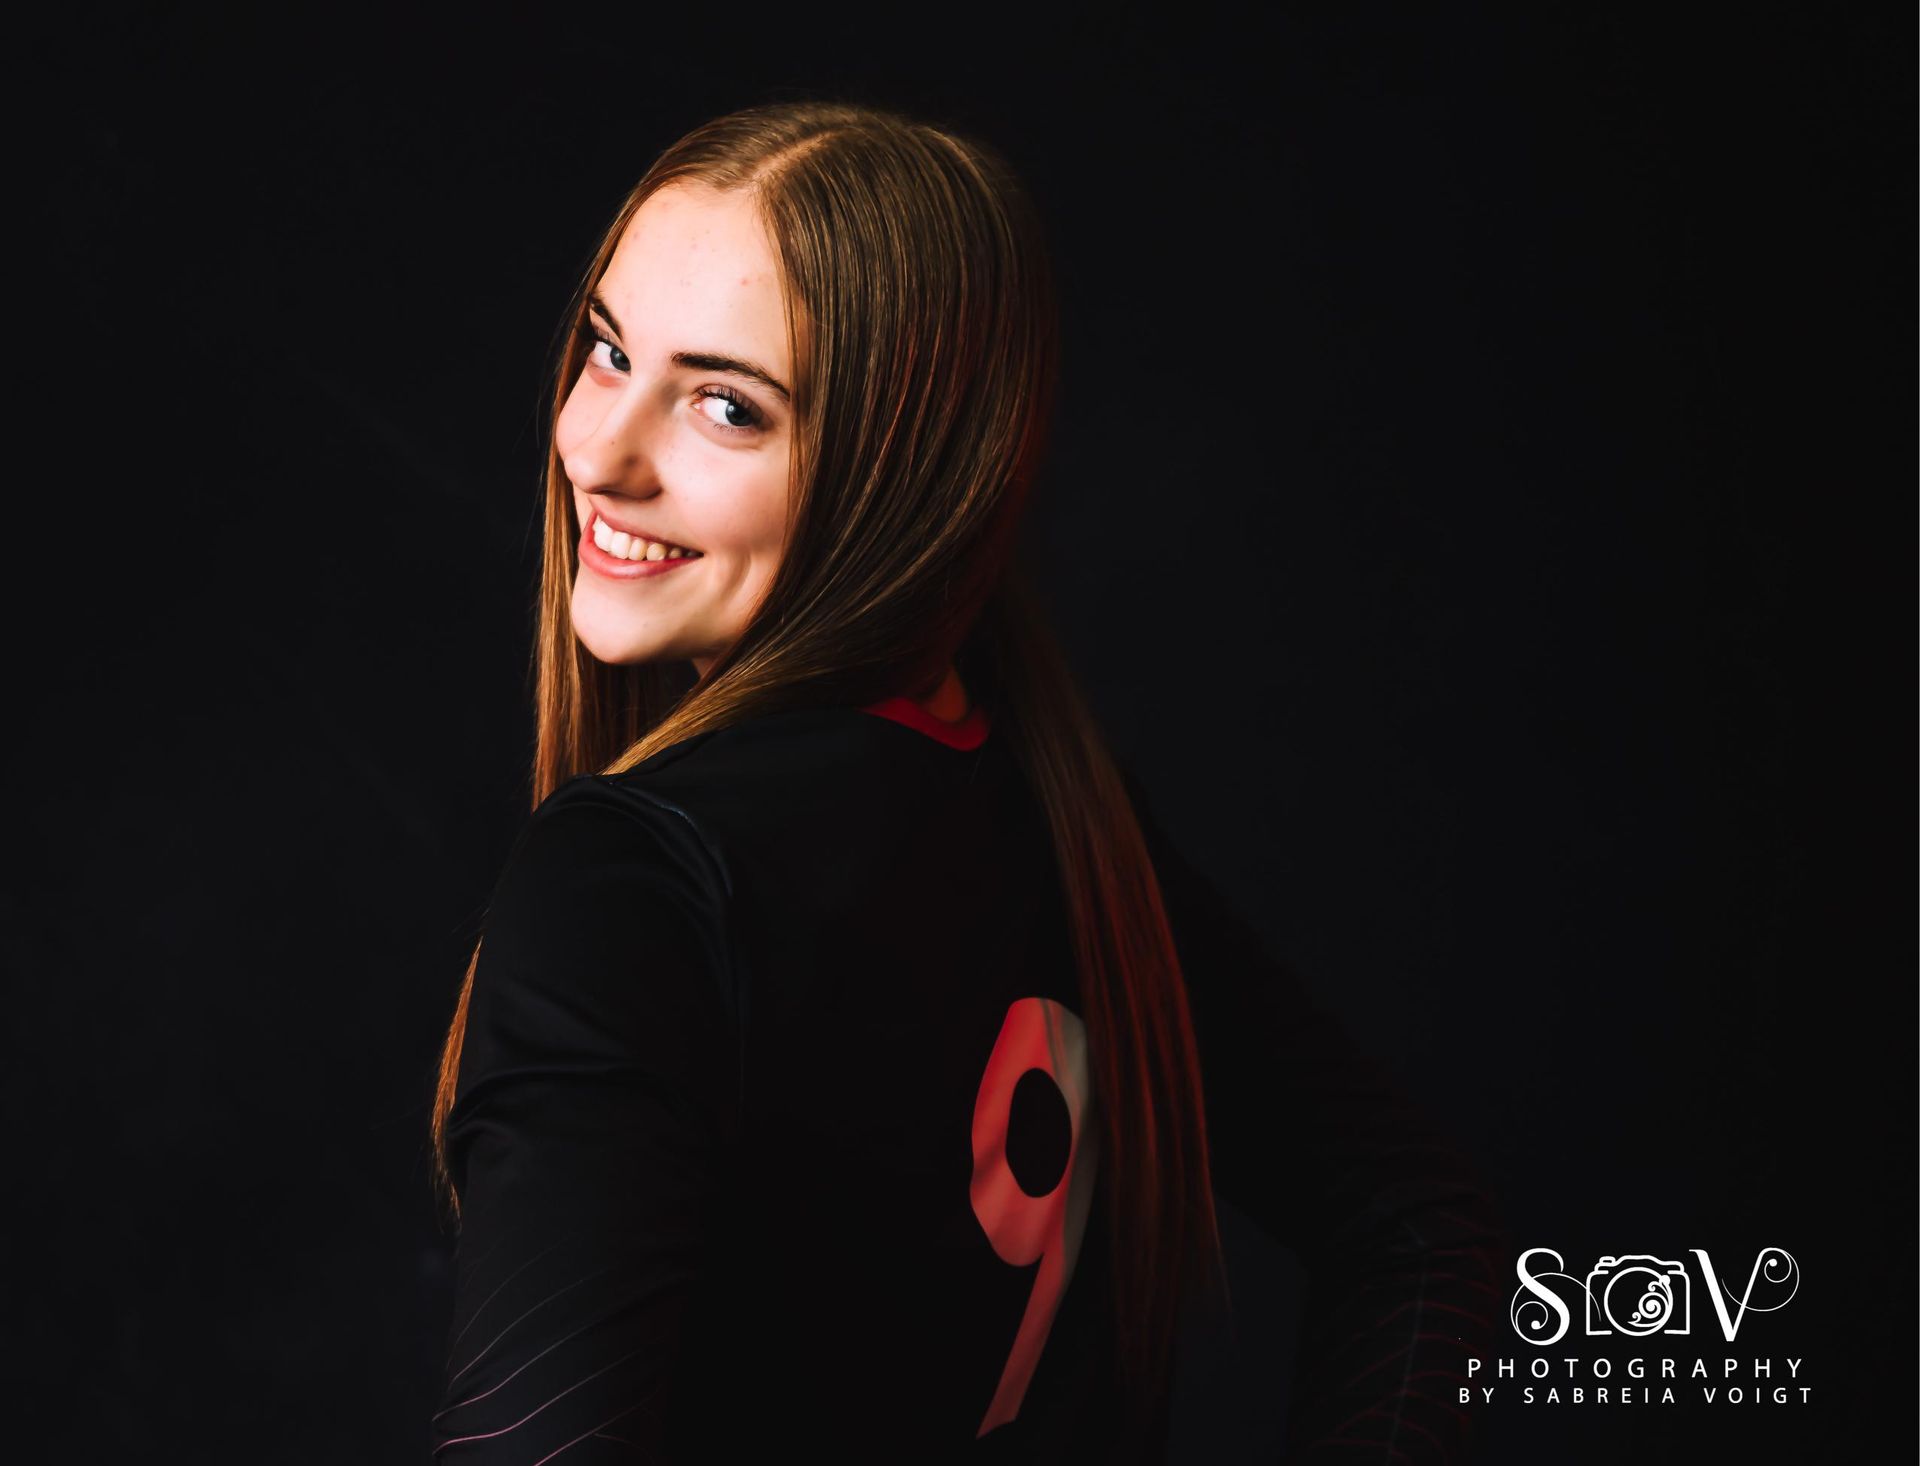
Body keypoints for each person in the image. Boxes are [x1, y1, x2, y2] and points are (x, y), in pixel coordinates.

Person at [425, 99, 1509, 1463]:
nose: (601, 450)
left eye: (724, 405)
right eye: (606, 350)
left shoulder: (638, 878)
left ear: (901, 474)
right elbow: (1424, 1225)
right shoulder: (1065, 815)